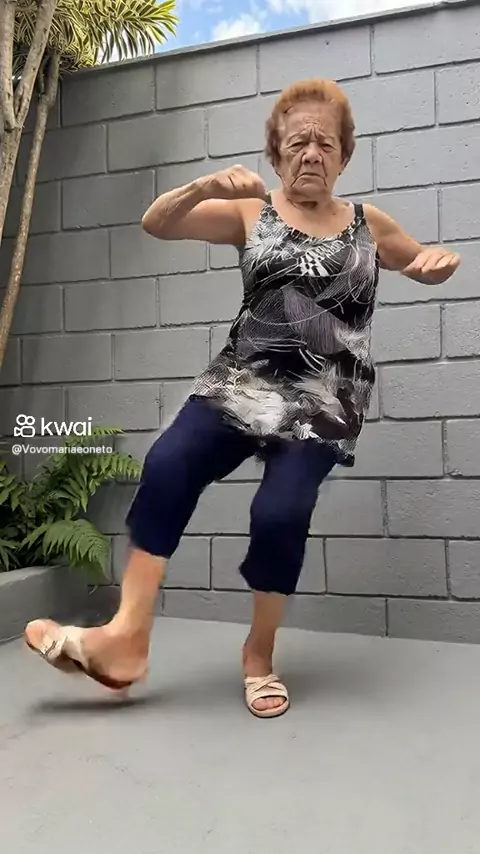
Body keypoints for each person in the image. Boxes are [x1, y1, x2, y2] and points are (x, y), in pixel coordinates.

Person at [25, 79, 460, 718]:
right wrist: (205, 186)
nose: (311, 153)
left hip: (322, 401)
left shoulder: (370, 225)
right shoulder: (251, 214)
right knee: (169, 463)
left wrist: (430, 263)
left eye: (326, 143)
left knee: (281, 512)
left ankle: (259, 654)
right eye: (297, 141)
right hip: (240, 385)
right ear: (276, 154)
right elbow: (156, 222)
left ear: (344, 156)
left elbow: (415, 257)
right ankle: (126, 638)